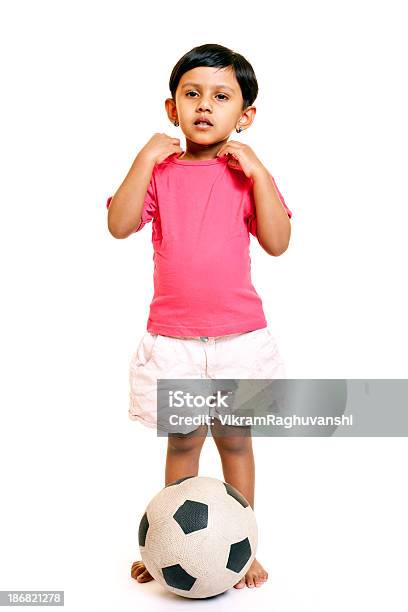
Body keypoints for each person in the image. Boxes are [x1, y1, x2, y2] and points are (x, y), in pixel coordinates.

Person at [106, 43, 293, 590]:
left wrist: (257, 170)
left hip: (239, 338)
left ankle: (242, 549)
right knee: (184, 442)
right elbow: (119, 225)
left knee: (235, 442)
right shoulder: (161, 172)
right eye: (192, 94)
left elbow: (278, 242)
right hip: (175, 340)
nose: (205, 105)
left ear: (246, 115)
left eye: (220, 95)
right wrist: (143, 159)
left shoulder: (246, 172)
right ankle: (169, 543)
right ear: (172, 109)